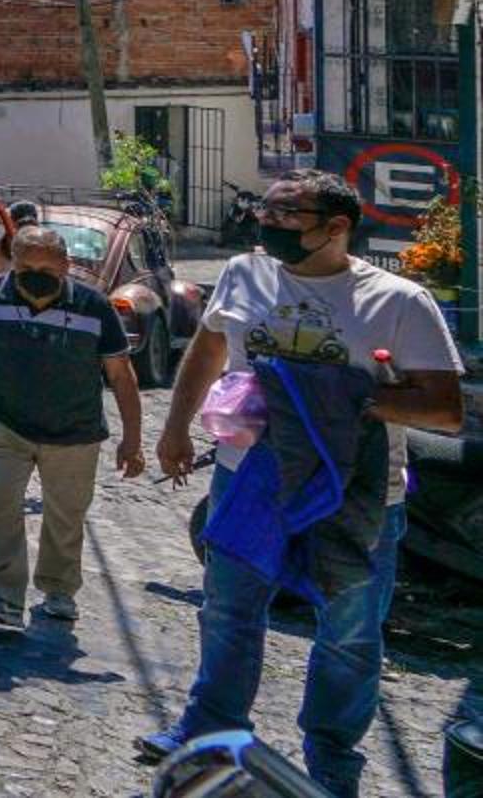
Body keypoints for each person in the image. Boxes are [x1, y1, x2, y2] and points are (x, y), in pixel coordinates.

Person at [138, 170, 464, 796]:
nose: (270, 225)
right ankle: (207, 732)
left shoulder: (396, 301)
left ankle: (331, 761)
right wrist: (176, 425)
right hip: (248, 481)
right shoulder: (243, 273)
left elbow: (445, 409)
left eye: (289, 216)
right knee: (229, 610)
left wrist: (347, 402)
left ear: (336, 227)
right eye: (267, 211)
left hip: (355, 494)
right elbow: (208, 351)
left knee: (348, 633)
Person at [0, 223, 143, 625]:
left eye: (46, 270)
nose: (34, 277)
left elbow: (121, 374)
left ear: (66, 266)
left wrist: (131, 440)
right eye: (24, 267)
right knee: (0, 503)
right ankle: (3, 596)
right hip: (5, 422)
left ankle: (59, 590)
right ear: (12, 264)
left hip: (74, 431)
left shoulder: (92, 306)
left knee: (65, 515)